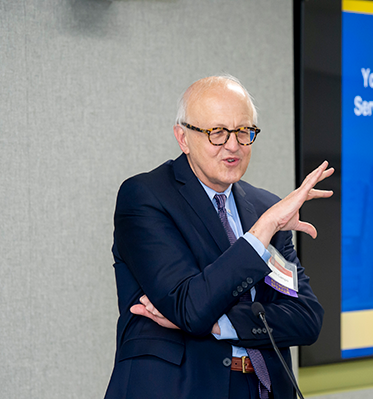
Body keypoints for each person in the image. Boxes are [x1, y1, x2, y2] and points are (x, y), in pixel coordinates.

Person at [104, 75, 334, 399]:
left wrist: (220, 324)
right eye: (217, 132)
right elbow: (190, 307)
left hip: (261, 388)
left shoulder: (264, 207)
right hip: (180, 388)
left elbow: (307, 318)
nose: (233, 145)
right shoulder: (144, 197)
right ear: (182, 138)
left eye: (244, 131)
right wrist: (260, 234)